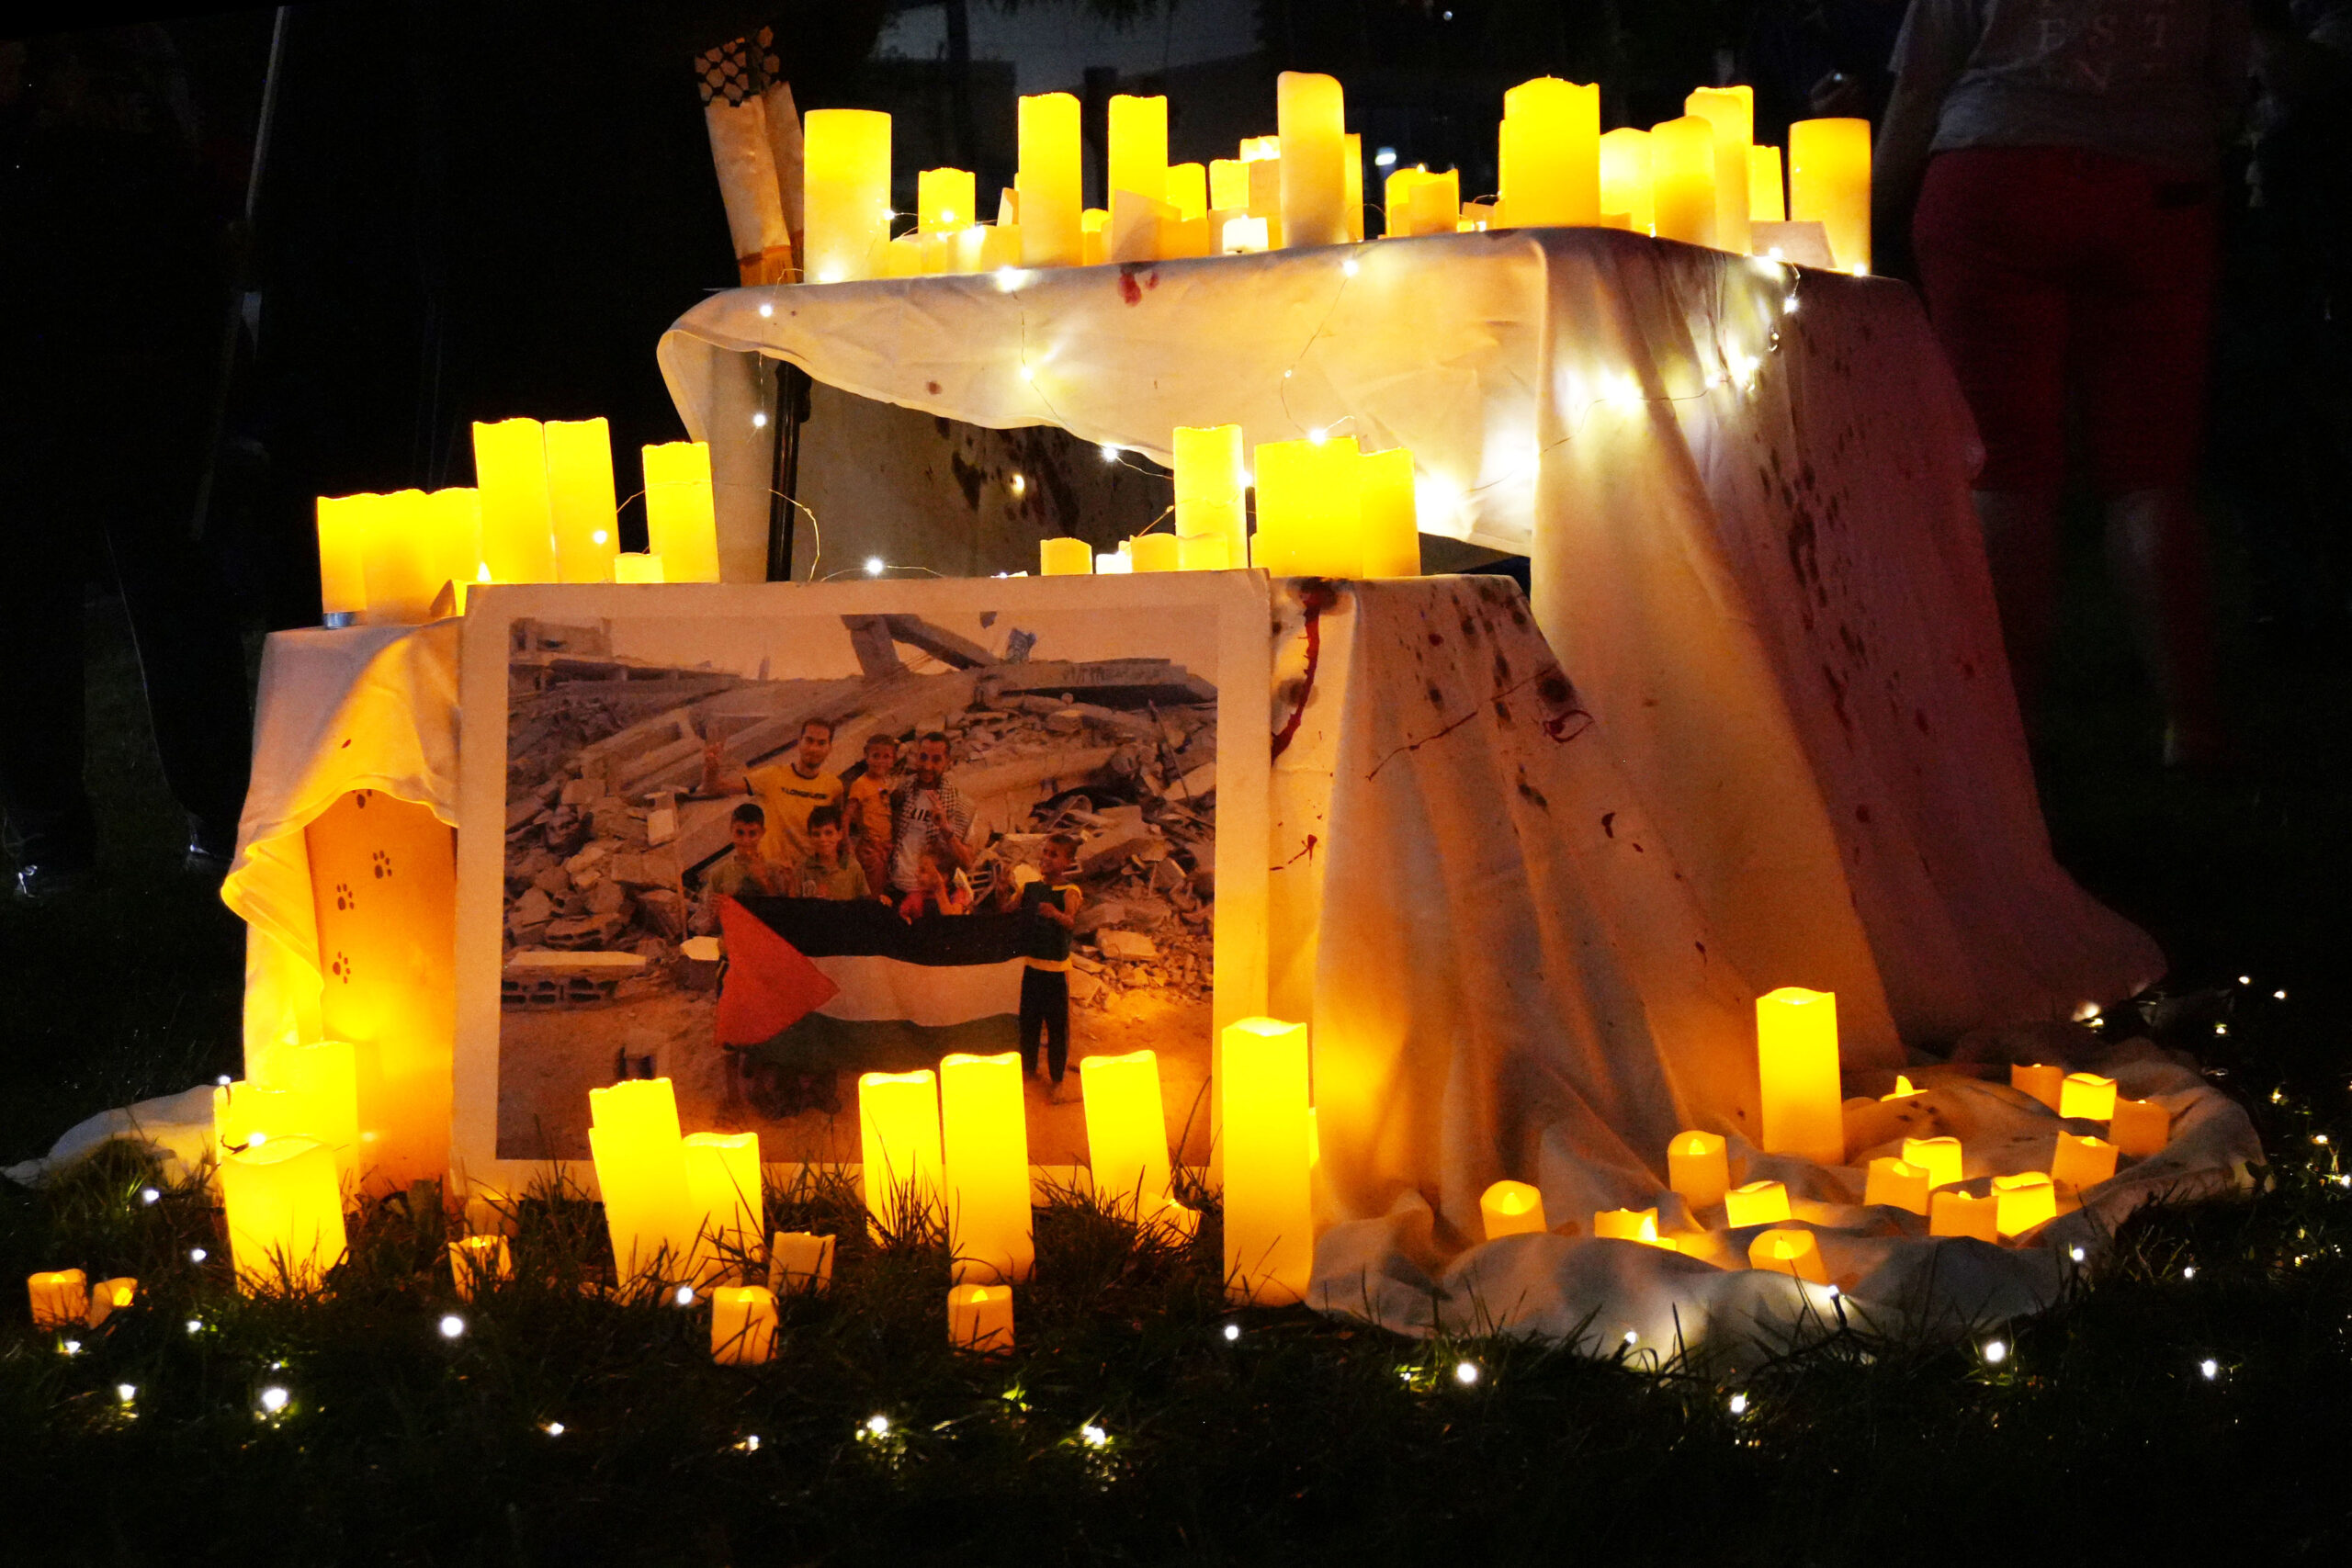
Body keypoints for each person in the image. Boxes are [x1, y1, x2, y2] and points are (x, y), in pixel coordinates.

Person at [1875, 0, 2250, 767]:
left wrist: (1868, 212)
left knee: (2007, 469)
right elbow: (2228, 75)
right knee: (2152, 471)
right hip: (2155, 190)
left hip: (1993, 181)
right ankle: (2193, 721)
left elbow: (1920, 82)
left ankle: (2009, 729)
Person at [0, 26, 254, 900]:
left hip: (148, 360)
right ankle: (51, 832)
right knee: (28, 608)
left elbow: (196, 171)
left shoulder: (136, 79)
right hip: (31, 366)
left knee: (177, 594)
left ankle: (219, 812)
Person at [1002, 832, 1082, 1101]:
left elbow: (1071, 922)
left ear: (1068, 861)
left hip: (1056, 973)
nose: (1046, 858)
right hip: (1031, 968)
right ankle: (1029, 1069)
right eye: (1045, 852)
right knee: (1029, 1022)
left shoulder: (1070, 892)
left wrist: (1055, 914)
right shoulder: (1031, 889)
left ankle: (1057, 1081)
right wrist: (1003, 888)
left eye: (1054, 855)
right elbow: (1008, 910)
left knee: (1057, 1027)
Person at [700, 716, 842, 866]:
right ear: (799, 741)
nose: (813, 748)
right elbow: (714, 788)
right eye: (809, 740)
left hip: (808, 874)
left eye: (821, 743)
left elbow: (837, 830)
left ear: (830, 747)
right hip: (770, 873)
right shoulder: (771, 776)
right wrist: (711, 768)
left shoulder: (834, 786)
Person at [885, 731, 973, 898]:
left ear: (947, 761)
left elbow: (968, 862)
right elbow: (879, 793)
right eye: (923, 757)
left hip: (931, 895)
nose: (927, 766)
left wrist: (946, 829)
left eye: (936, 759)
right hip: (895, 887)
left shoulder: (961, 805)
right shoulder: (902, 791)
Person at [695, 801, 783, 934]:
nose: (745, 841)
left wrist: (764, 880)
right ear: (731, 830)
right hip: (733, 941)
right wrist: (718, 913)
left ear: (762, 833)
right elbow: (713, 929)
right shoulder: (719, 873)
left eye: (752, 833)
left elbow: (781, 917)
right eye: (740, 833)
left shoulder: (774, 869)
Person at [842, 731, 899, 898]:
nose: (880, 761)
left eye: (886, 757)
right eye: (875, 756)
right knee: (872, 892)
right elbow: (847, 815)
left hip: (885, 845)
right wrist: (847, 844)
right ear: (866, 757)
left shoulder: (883, 783)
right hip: (870, 847)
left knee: (882, 885)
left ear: (893, 759)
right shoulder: (861, 784)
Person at [791, 805, 869, 901]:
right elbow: (793, 905)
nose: (823, 839)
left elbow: (864, 904)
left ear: (840, 835)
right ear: (810, 837)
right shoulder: (802, 868)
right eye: (816, 834)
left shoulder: (852, 867)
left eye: (828, 833)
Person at [896, 847, 970, 921]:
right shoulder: (915, 897)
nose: (916, 874)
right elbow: (902, 915)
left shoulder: (956, 894)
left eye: (923, 871)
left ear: (943, 877)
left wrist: (939, 888)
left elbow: (953, 920)